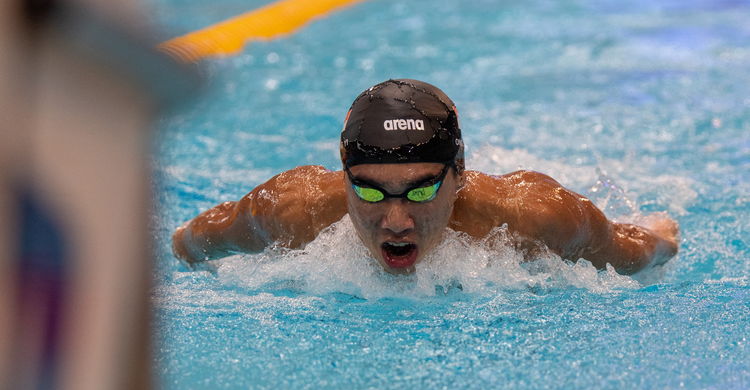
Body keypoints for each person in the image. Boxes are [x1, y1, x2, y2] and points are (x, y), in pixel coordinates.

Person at [172, 79, 678, 275]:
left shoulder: (539, 216)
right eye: (368, 191)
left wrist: (659, 236)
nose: (396, 220)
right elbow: (187, 244)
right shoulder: (287, 210)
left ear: (459, 174)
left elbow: (636, 251)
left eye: (421, 190)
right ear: (344, 177)